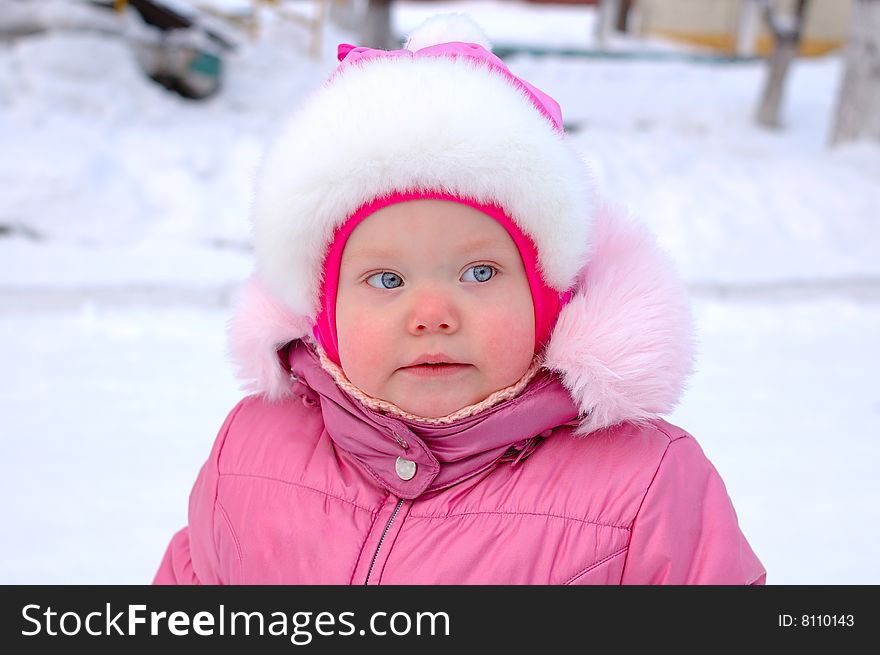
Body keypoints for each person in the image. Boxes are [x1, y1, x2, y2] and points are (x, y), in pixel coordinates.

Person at [153, 15, 765, 585]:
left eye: (478, 272)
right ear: (325, 309)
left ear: (547, 296)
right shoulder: (251, 451)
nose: (432, 315)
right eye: (387, 280)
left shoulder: (646, 487)